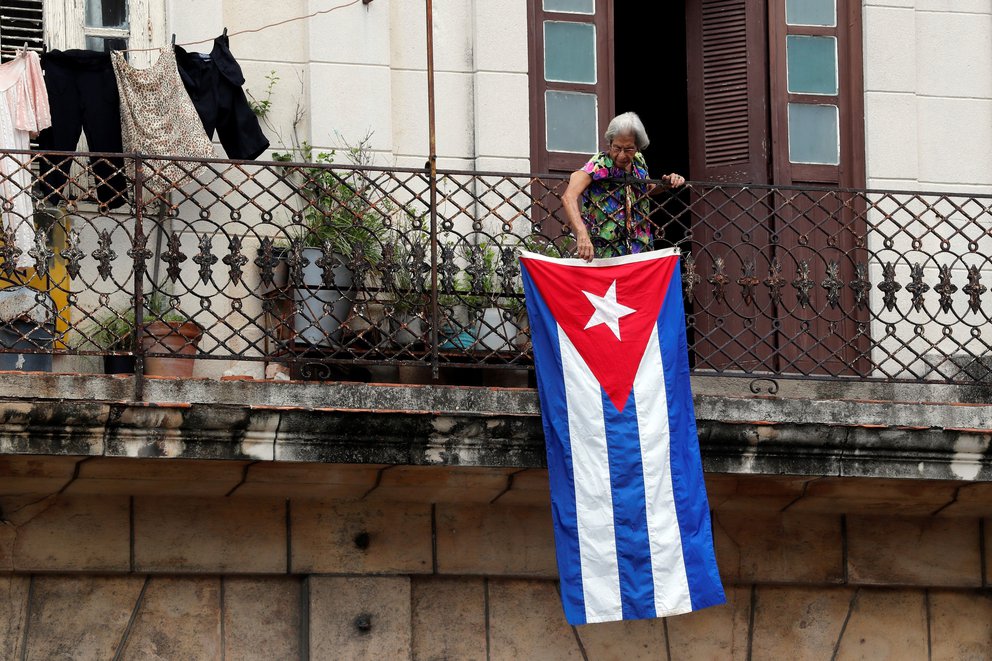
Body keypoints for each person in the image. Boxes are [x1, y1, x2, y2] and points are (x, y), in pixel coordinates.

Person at [561, 112, 685, 261]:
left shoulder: (638, 161)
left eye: (628, 149)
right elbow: (569, 196)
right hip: (606, 248)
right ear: (610, 143)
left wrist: (666, 184)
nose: (621, 155)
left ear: (638, 147)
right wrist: (581, 233)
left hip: (638, 246)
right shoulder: (599, 164)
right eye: (617, 148)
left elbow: (647, 189)